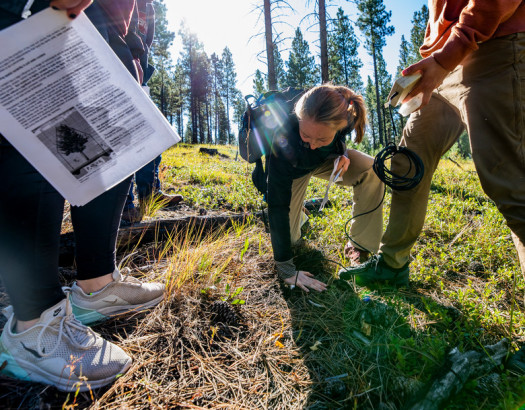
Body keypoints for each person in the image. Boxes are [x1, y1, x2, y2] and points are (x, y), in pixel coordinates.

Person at [0, 0, 165, 392]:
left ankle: (96, 285)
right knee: (35, 129)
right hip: (33, 11)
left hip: (105, 23)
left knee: (113, 137)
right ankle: (33, 324)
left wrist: (132, 40)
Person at [339, 1, 525, 291]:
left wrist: (448, 52)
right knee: (407, 164)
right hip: (444, 63)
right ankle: (392, 264)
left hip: (495, 47)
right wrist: (434, 54)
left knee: (512, 183)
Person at [265, 85, 385, 292]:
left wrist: (342, 153)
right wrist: (286, 269)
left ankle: (360, 246)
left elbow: (340, 140)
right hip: (292, 171)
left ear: (340, 126)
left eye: (322, 138)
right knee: (292, 240)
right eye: (306, 136)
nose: (312, 144)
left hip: (323, 161)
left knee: (373, 170)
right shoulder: (282, 139)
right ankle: (301, 213)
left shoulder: (345, 118)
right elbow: (277, 204)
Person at [121, 0, 182, 224]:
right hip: (119, 64)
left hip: (139, 71)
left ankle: (150, 193)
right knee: (124, 137)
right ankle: (123, 204)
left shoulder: (148, 7)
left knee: (152, 131)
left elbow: (146, 41)